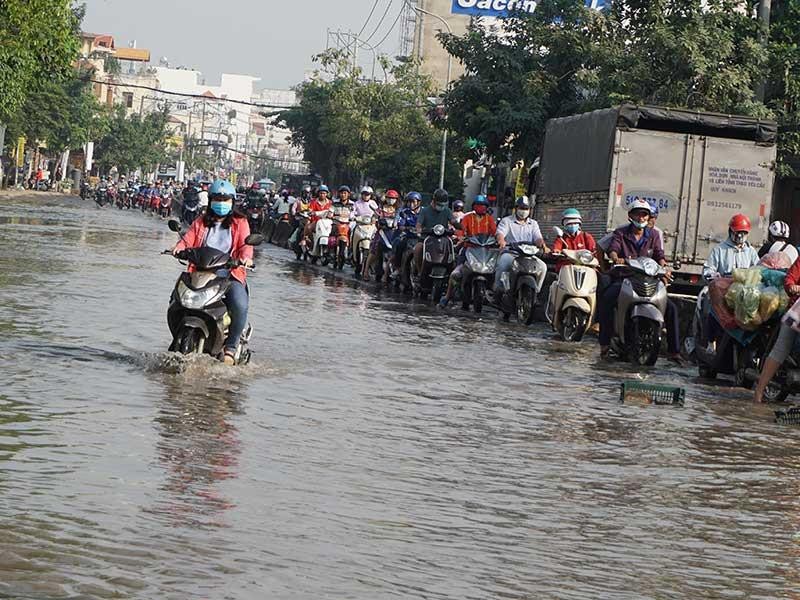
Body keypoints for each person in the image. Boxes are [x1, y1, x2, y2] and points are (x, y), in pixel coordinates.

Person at [171, 179, 253, 365]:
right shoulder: (201, 221)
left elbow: (246, 246)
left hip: (229, 273)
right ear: (210, 200)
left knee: (239, 304)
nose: (221, 203)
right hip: (200, 272)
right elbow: (188, 239)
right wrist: (178, 247)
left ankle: (230, 348)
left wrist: (246, 258)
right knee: (176, 299)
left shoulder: (241, 223)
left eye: (225, 200)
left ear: (232, 201)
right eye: (217, 199)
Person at [598, 200, 669, 359]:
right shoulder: (621, 233)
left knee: (670, 307)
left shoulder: (654, 235)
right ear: (630, 215)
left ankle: (675, 351)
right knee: (607, 300)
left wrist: (664, 268)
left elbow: (659, 256)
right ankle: (604, 343)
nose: (641, 217)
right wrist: (616, 258)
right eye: (638, 213)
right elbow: (613, 250)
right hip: (625, 278)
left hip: (648, 280)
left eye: (644, 214)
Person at [754, 254, 800, 402]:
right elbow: (789, 278)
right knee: (781, 348)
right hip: (797, 310)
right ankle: (759, 393)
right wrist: (792, 286)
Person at [439, 195, 497, 307]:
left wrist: (498, 240)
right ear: (474, 206)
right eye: (478, 205)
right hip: (468, 249)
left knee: (496, 270)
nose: (480, 207)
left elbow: (494, 232)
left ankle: (495, 296)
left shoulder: (489, 219)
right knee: (455, 274)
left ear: (486, 207)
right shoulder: (467, 218)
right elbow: (461, 230)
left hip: (485, 251)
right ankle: (447, 296)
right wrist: (461, 236)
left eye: (483, 205)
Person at [492, 196, 547, 295]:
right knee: (503, 263)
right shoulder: (506, 221)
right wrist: (501, 241)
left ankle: (536, 293)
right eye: (521, 208)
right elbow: (500, 233)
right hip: (511, 253)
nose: (523, 211)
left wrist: (543, 245)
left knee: (543, 267)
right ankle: (497, 290)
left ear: (530, 210)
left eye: (526, 209)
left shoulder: (533, 224)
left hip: (528, 255)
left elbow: (538, 237)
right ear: (516, 208)